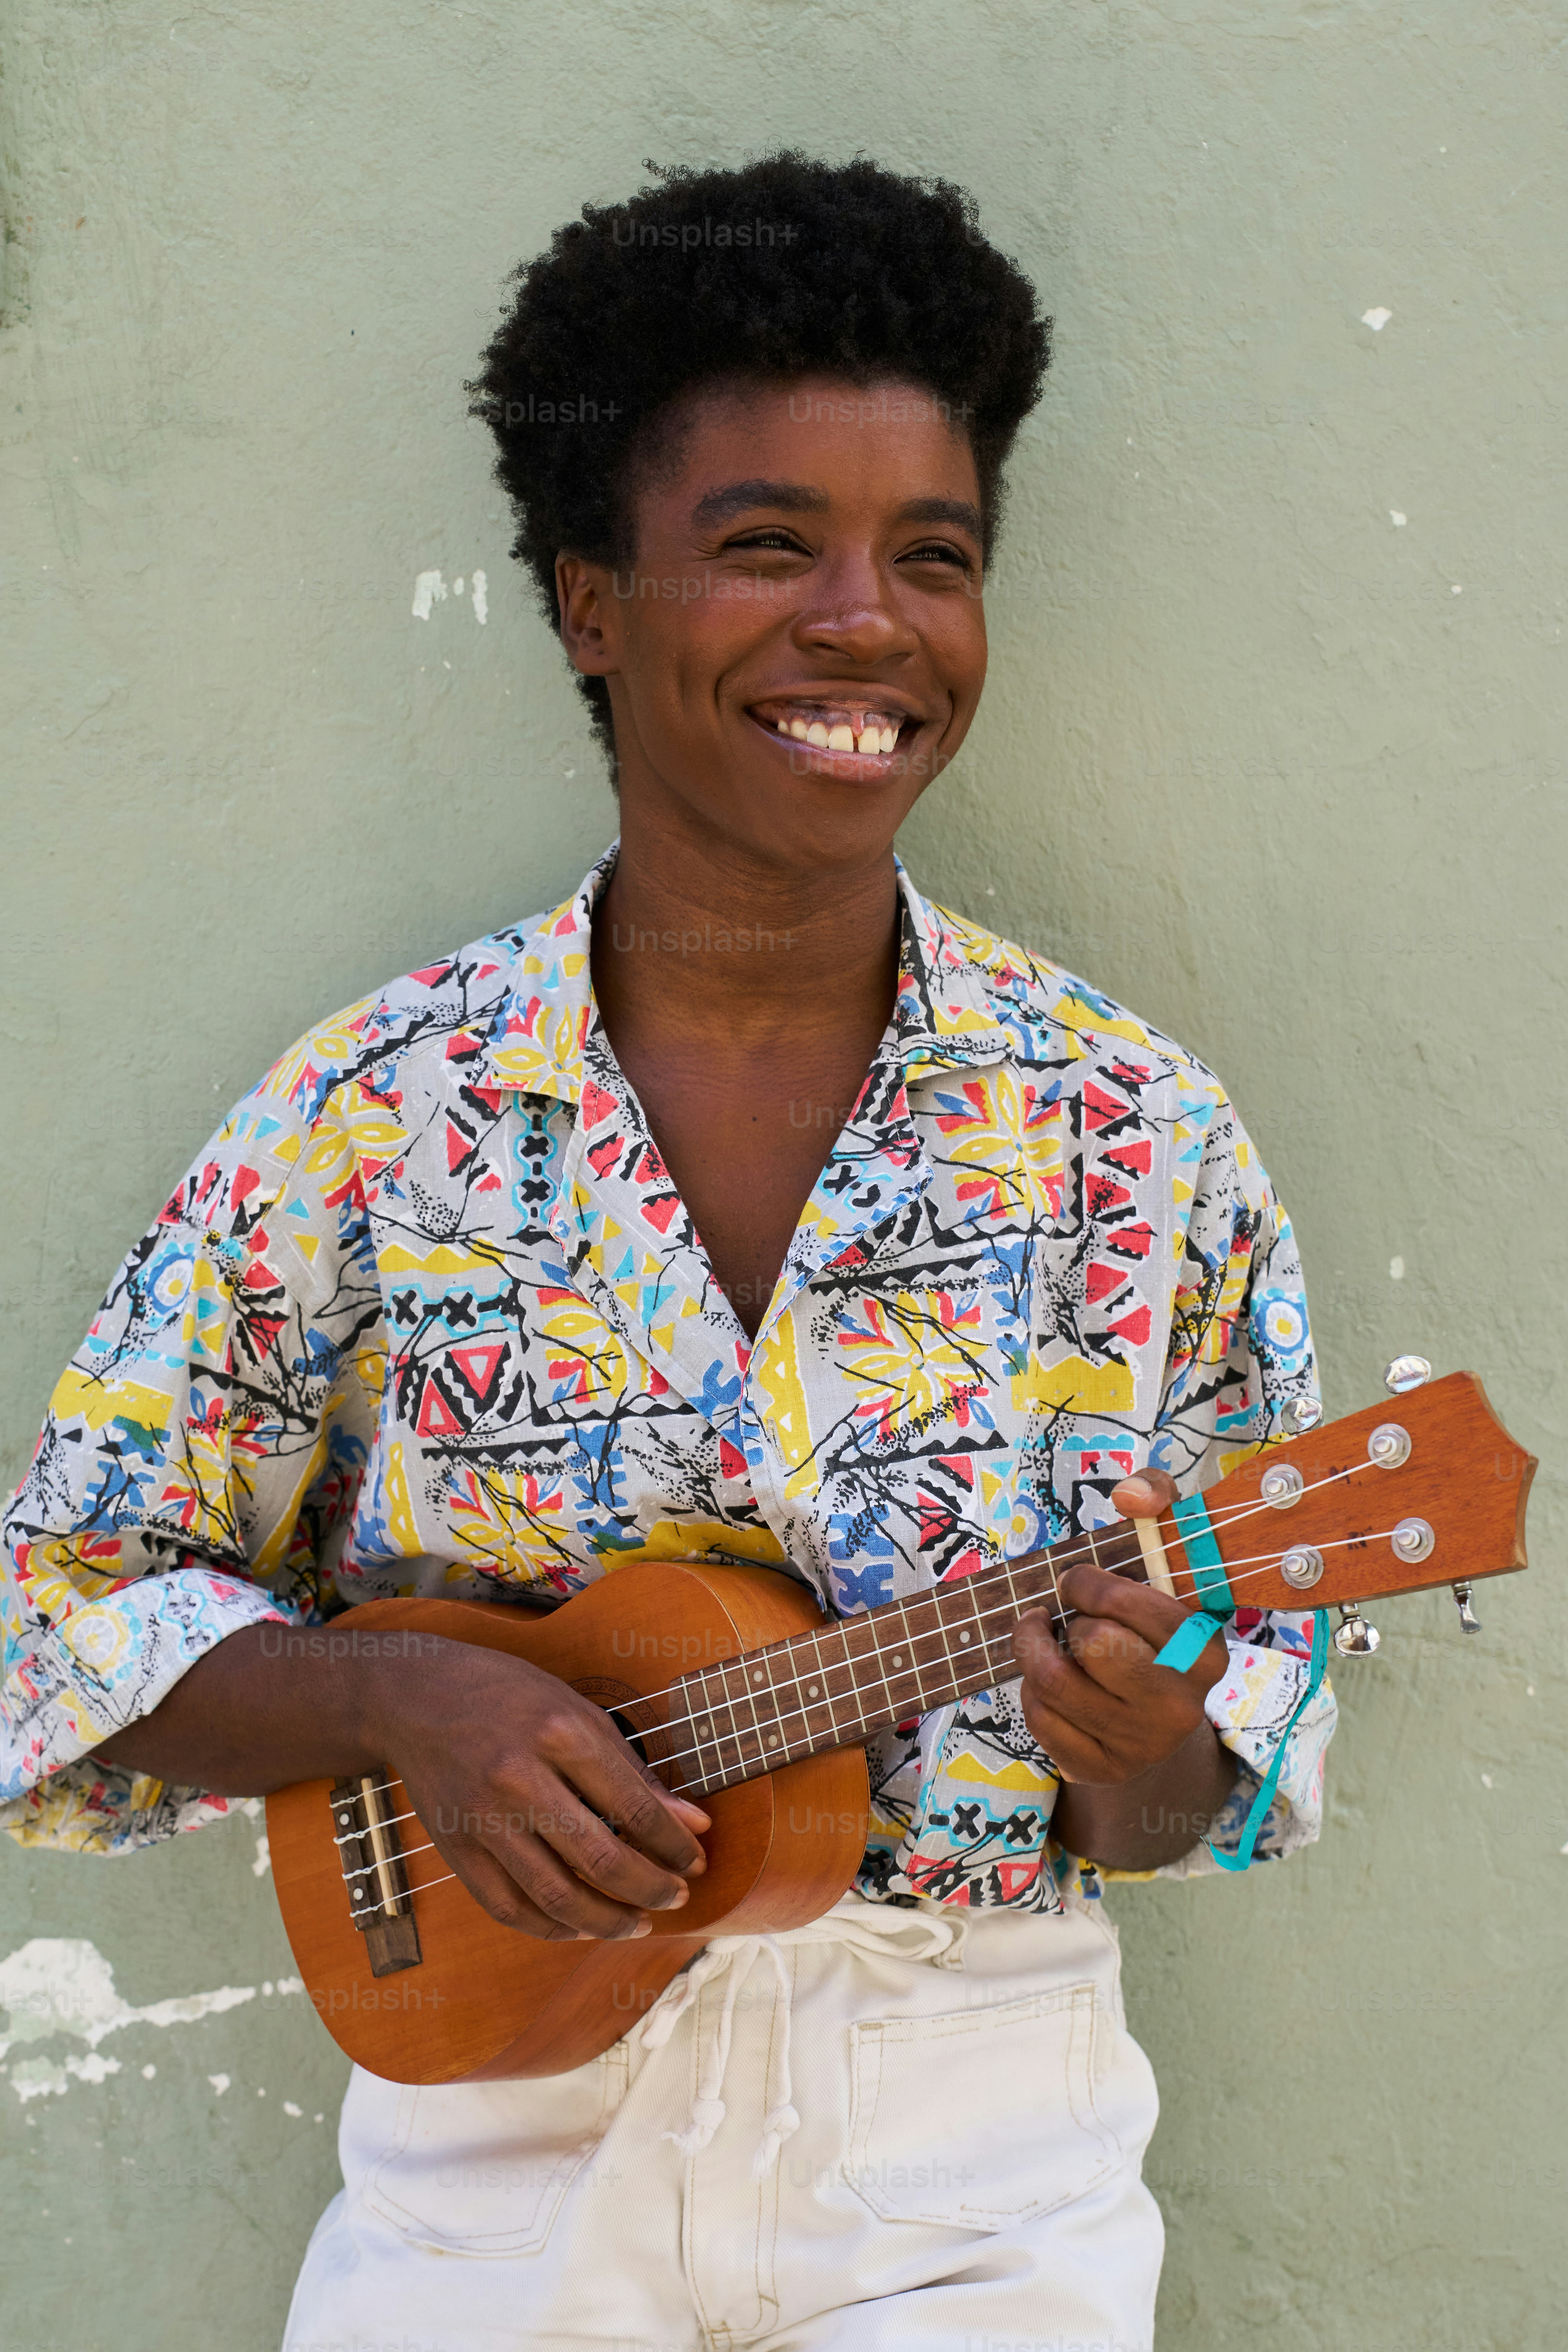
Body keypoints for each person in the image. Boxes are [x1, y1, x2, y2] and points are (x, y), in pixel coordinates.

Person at [2, 155, 1336, 2351]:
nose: (866, 623)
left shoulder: (1136, 1136)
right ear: (592, 605)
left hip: (970, 2158)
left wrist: (1145, 1732)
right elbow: (65, 1608)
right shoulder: (374, 1112)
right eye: (763, 546)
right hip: (495, 2157)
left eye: (935, 555)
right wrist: (392, 1694)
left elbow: (1196, 1795)